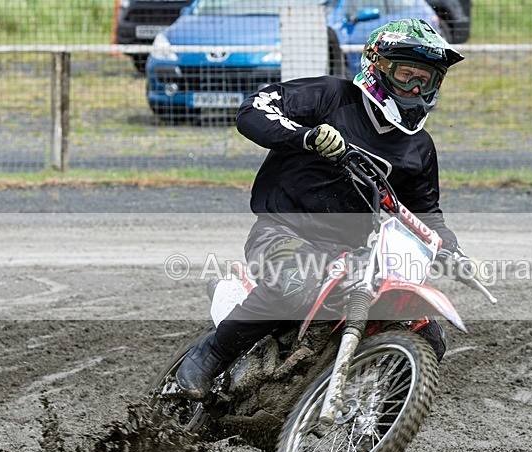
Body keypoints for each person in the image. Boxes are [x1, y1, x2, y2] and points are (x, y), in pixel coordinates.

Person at [176, 18, 466, 400]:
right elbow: (253, 110)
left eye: (424, 80)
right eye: (405, 74)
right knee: (299, 282)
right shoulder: (329, 96)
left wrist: (452, 250)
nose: (414, 88)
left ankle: (379, 427)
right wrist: (305, 136)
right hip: (283, 231)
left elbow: (426, 212)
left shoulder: (419, 148)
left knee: (430, 334)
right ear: (377, 66)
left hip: (357, 255)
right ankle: (211, 353)